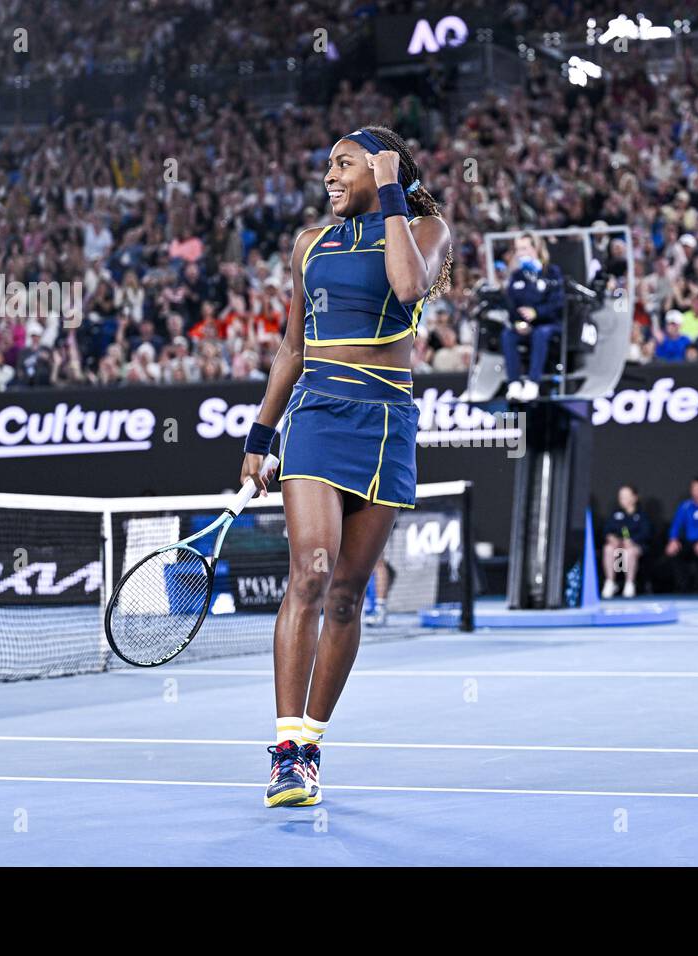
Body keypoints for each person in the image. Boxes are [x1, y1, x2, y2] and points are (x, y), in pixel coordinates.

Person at [238, 126, 452, 809]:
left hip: (387, 424)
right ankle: (281, 750)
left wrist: (392, 190)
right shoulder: (309, 244)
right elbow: (291, 349)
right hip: (319, 418)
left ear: (381, 167)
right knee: (313, 570)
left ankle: (309, 747)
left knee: (347, 594)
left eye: (343, 164)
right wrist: (259, 435)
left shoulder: (425, 227)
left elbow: (407, 285)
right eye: (326, 164)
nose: (328, 175)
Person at [500, 232, 565, 402]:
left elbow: (558, 304)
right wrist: (519, 323)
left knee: (540, 333)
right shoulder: (517, 276)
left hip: (550, 325)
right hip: (525, 326)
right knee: (508, 335)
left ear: (536, 248)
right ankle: (514, 384)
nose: (520, 253)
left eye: (524, 248)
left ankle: (532, 384)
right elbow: (512, 306)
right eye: (518, 249)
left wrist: (536, 313)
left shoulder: (552, 272)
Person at [601, 484, 652, 599]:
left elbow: (646, 533)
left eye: (626, 496)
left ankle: (630, 583)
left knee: (630, 551)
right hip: (618, 549)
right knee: (608, 549)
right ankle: (610, 582)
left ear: (634, 497)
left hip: (635, 548)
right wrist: (611, 537)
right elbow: (608, 530)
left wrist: (632, 541)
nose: (622, 499)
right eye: (621, 496)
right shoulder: (616, 514)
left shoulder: (641, 516)